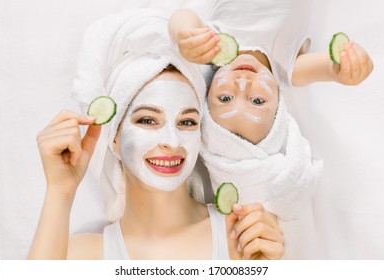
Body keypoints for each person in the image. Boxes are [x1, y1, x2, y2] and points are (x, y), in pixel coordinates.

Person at [28, 9, 284, 260]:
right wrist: (60, 190)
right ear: (114, 137)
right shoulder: (82, 254)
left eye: (187, 122)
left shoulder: (244, 238)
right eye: (148, 120)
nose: (172, 142)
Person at [168, 3, 373, 221]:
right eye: (257, 100)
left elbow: (182, 16)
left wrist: (184, 36)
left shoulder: (212, 48)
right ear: (278, 107)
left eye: (226, 98)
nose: (242, 85)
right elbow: (333, 69)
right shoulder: (288, 69)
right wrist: (348, 70)